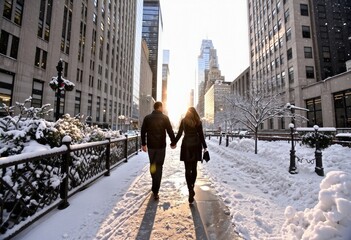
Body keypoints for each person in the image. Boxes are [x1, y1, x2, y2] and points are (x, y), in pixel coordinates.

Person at [171, 107, 207, 204]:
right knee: (194, 168)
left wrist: (173, 142)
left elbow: (179, 134)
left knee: (187, 169)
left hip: (186, 144)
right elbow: (201, 135)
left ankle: (190, 189)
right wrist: (205, 147)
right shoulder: (198, 121)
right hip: (196, 145)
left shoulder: (184, 121)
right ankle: (192, 186)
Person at [141, 101, 176, 200]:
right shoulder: (165, 118)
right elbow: (170, 131)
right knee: (159, 166)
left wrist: (144, 144)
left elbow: (143, 131)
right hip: (161, 146)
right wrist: (173, 142)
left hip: (151, 146)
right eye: (162, 107)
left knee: (152, 164)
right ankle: (156, 190)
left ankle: (154, 183)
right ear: (160, 107)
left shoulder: (147, 118)